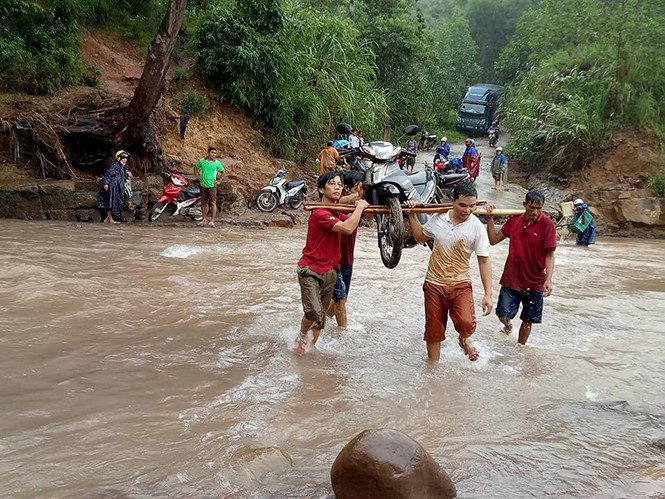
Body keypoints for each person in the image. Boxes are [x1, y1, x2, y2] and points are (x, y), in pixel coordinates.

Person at [405, 182, 493, 362]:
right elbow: (420, 237)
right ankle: (433, 369)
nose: (467, 210)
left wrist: (488, 294)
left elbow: (484, 260)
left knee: (466, 323)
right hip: (434, 284)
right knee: (433, 331)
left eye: (472, 206)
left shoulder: (476, 226)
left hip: (460, 283)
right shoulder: (439, 218)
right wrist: (412, 214)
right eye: (462, 205)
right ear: (452, 202)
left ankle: (464, 338)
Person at [295, 171, 369, 354]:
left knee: (321, 320)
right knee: (315, 313)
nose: (337, 186)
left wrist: (361, 204)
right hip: (311, 269)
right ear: (321, 188)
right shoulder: (320, 213)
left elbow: (356, 220)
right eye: (332, 183)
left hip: (331, 271)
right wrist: (359, 207)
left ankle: (309, 349)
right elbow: (347, 228)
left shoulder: (338, 212)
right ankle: (302, 334)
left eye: (339, 184)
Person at [486, 190, 556, 345]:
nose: (535, 212)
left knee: (528, 319)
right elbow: (493, 240)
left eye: (539, 208)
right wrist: (490, 219)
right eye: (531, 207)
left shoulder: (547, 225)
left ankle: (520, 348)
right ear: (525, 205)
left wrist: (549, 279)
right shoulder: (514, 221)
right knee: (502, 314)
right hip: (512, 278)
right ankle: (508, 326)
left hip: (535, 280)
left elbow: (549, 255)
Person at [326, 171, 364, 328]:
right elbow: (348, 198)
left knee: (340, 299)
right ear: (347, 188)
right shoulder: (337, 203)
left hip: (348, 260)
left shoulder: (358, 205)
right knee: (341, 299)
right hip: (334, 261)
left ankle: (321, 319)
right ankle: (343, 334)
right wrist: (361, 194)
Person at [97, 150, 131, 224]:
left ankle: (107, 220)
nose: (125, 160)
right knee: (110, 203)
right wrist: (106, 183)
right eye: (123, 158)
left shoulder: (122, 167)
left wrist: (127, 177)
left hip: (118, 189)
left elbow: (122, 176)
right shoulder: (114, 165)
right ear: (119, 158)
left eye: (126, 158)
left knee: (117, 203)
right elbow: (108, 174)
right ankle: (110, 219)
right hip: (112, 187)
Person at [194, 147, 224, 227]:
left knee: (213, 203)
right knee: (203, 202)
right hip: (203, 185)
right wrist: (198, 177)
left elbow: (222, 171)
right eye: (212, 152)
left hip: (212, 186)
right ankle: (204, 219)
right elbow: (196, 168)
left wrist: (219, 181)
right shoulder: (202, 161)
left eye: (215, 153)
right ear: (208, 153)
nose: (214, 154)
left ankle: (212, 221)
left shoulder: (217, 163)